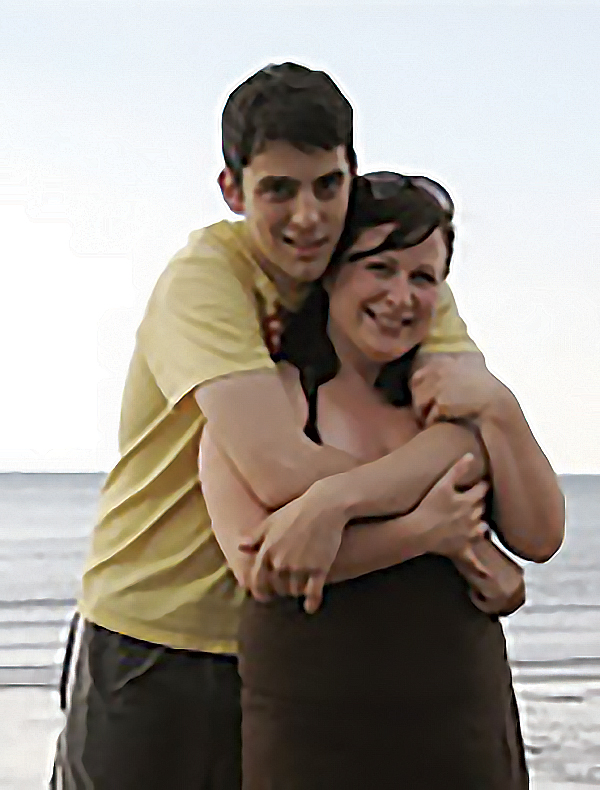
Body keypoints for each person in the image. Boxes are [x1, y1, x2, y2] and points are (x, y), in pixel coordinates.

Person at [51, 63, 525, 789]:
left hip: (290, 640)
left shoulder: (387, 271)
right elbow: (278, 469)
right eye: (278, 189)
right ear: (233, 191)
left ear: (350, 175)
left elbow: (468, 435)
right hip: (155, 631)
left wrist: (359, 499)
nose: (308, 217)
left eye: (326, 186)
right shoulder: (206, 280)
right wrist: (431, 523)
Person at [200, 173, 565, 789]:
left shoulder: (449, 409)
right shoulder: (274, 405)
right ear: (333, 271)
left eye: (424, 278)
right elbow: (265, 567)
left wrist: (499, 407)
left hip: (459, 724)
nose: (401, 296)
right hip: (312, 731)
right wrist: (425, 531)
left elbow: (539, 536)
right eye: (380, 268)